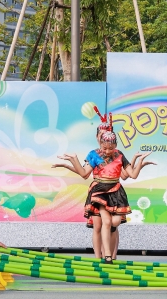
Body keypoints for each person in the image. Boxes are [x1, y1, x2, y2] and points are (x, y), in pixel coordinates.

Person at [55, 112, 152, 264]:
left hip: (116, 191)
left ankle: (111, 255)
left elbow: (128, 175)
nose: (107, 150)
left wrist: (138, 161)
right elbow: (84, 173)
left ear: (115, 144)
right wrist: (71, 162)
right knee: (101, 224)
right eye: (103, 144)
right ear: (99, 139)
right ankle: (104, 257)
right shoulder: (94, 154)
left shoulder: (119, 155)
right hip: (99, 190)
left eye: (110, 147)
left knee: (114, 224)